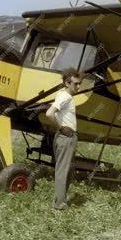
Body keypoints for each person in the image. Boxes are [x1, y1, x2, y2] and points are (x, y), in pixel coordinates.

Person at [45, 68, 80, 210]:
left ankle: (61, 199)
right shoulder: (66, 97)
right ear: (67, 82)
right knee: (63, 170)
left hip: (66, 138)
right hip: (66, 137)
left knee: (68, 169)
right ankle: (59, 204)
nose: (78, 87)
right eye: (75, 84)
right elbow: (49, 113)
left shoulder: (61, 94)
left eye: (79, 84)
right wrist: (61, 128)